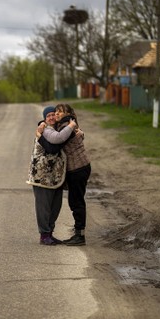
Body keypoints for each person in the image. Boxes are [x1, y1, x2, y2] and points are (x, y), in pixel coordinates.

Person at [43, 103, 91, 246]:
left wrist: (40, 134)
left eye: (60, 112)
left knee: (77, 202)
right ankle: (78, 233)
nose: (57, 114)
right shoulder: (66, 124)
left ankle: (80, 235)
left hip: (78, 168)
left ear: (68, 113)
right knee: (75, 201)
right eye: (56, 111)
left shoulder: (66, 126)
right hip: (77, 168)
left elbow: (55, 143)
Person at [27, 105, 73, 245]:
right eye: (48, 116)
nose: (52, 117)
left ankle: (50, 233)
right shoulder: (46, 130)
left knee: (55, 206)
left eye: (54, 114)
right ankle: (44, 235)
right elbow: (53, 148)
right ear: (45, 119)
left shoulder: (56, 129)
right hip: (42, 176)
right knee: (44, 207)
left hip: (55, 177)